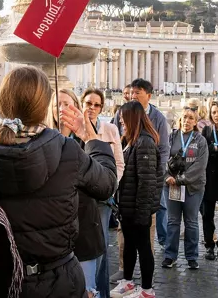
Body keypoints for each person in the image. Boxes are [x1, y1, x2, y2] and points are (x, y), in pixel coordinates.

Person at [0, 66, 116, 297]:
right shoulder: (66, 148)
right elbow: (106, 185)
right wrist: (91, 139)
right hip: (58, 278)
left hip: (1, 278)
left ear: (3, 101)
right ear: (44, 105)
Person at [51, 89, 116, 298]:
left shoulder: (86, 142)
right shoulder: (41, 142)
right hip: (51, 237)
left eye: (68, 104)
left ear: (77, 110)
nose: (62, 109)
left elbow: (104, 182)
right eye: (58, 104)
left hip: (84, 233)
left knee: (87, 290)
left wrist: (90, 138)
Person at [110, 101, 164, 298]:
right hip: (128, 206)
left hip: (138, 208)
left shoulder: (145, 142)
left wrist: (142, 213)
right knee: (129, 246)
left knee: (144, 248)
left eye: (124, 119)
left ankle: (147, 289)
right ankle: (128, 281)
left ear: (133, 118)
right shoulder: (131, 140)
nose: (121, 122)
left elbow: (147, 182)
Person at [112, 79, 170, 247]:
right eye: (131, 92)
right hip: (127, 179)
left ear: (148, 96)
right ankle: (124, 268)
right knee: (125, 231)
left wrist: (158, 173)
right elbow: (116, 141)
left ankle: (163, 241)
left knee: (153, 217)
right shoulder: (121, 113)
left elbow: (164, 148)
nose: (133, 96)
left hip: (149, 176)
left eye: (137, 93)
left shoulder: (158, 118)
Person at [82, 88, 124, 298]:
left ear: (101, 108)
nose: (91, 108)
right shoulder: (74, 129)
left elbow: (118, 163)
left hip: (102, 197)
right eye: (88, 103)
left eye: (96, 105)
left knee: (100, 247)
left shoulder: (110, 129)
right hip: (78, 198)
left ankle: (102, 293)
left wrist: (109, 185)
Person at [162, 108, 208, 270]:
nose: (187, 121)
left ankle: (192, 256)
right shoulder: (172, 137)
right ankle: (170, 255)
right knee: (173, 221)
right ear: (179, 119)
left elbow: (200, 166)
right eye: (184, 117)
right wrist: (166, 176)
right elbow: (163, 157)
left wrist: (181, 179)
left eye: (190, 118)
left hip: (192, 187)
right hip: (171, 185)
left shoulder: (200, 141)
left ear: (195, 122)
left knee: (191, 222)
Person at [200, 101, 218, 261]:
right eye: (213, 112)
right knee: (207, 215)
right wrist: (215, 149)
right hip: (210, 178)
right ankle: (209, 246)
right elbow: (203, 150)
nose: (216, 115)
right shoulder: (207, 130)